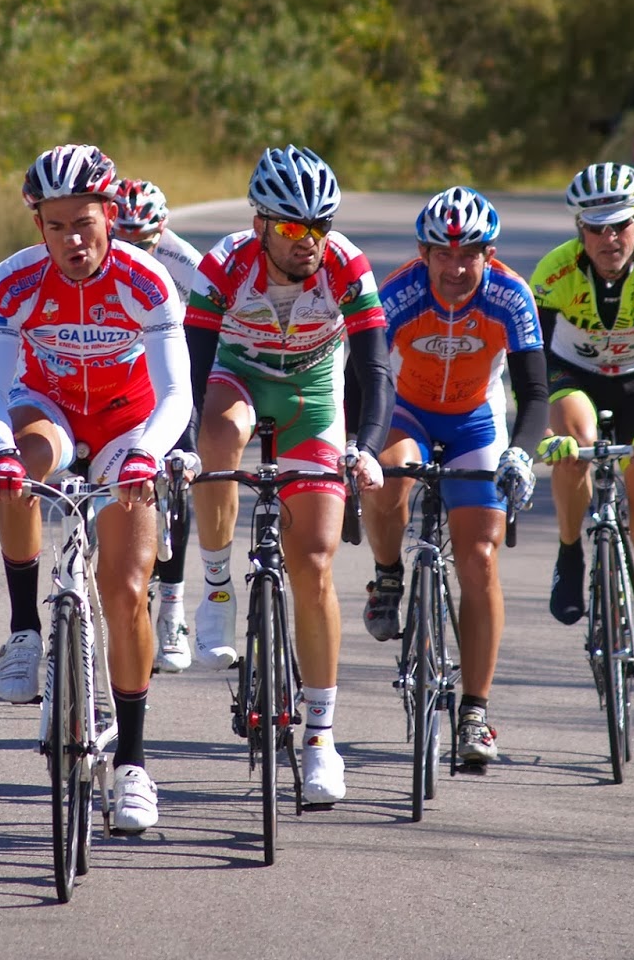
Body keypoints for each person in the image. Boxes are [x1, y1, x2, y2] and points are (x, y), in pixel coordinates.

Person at [0, 144, 193, 832]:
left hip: (131, 421)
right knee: (17, 465)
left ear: (110, 215)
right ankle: (24, 631)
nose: (72, 239)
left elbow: (178, 391)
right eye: (56, 224)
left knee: (126, 593)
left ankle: (132, 761)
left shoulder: (146, 278)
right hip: (52, 408)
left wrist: (146, 456)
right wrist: (1, 453)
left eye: (85, 223)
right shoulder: (12, 282)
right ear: (38, 224)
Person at [184, 144, 393, 806]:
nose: (310, 241)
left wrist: (365, 446)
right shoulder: (222, 266)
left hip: (313, 398)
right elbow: (192, 369)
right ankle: (217, 591)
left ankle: (321, 740)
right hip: (237, 382)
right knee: (216, 433)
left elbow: (375, 369)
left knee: (316, 565)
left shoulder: (346, 267)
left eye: (320, 226)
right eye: (294, 227)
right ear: (261, 225)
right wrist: (194, 447)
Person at [360, 187, 547, 764]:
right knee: (389, 474)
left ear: (489, 256)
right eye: (443, 254)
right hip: (407, 410)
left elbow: (535, 390)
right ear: (423, 253)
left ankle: (475, 713)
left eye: (470, 254)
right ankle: (388, 575)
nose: (457, 266)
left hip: (474, 419)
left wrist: (522, 453)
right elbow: (362, 375)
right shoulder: (398, 293)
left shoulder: (511, 296)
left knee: (480, 558)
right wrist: (357, 447)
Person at [529, 161, 634, 726]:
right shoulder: (551, 274)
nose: (609, 238)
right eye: (595, 227)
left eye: (620, 225)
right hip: (574, 374)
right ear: (579, 229)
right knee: (575, 440)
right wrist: (542, 435)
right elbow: (529, 371)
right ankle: (571, 551)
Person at [110, 177, 205, 674]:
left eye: (143, 243)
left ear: (162, 231)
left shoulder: (184, 262)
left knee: (177, 473)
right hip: (116, 374)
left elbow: (215, 329)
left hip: (169, 373)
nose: (133, 252)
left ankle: (172, 606)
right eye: (121, 240)